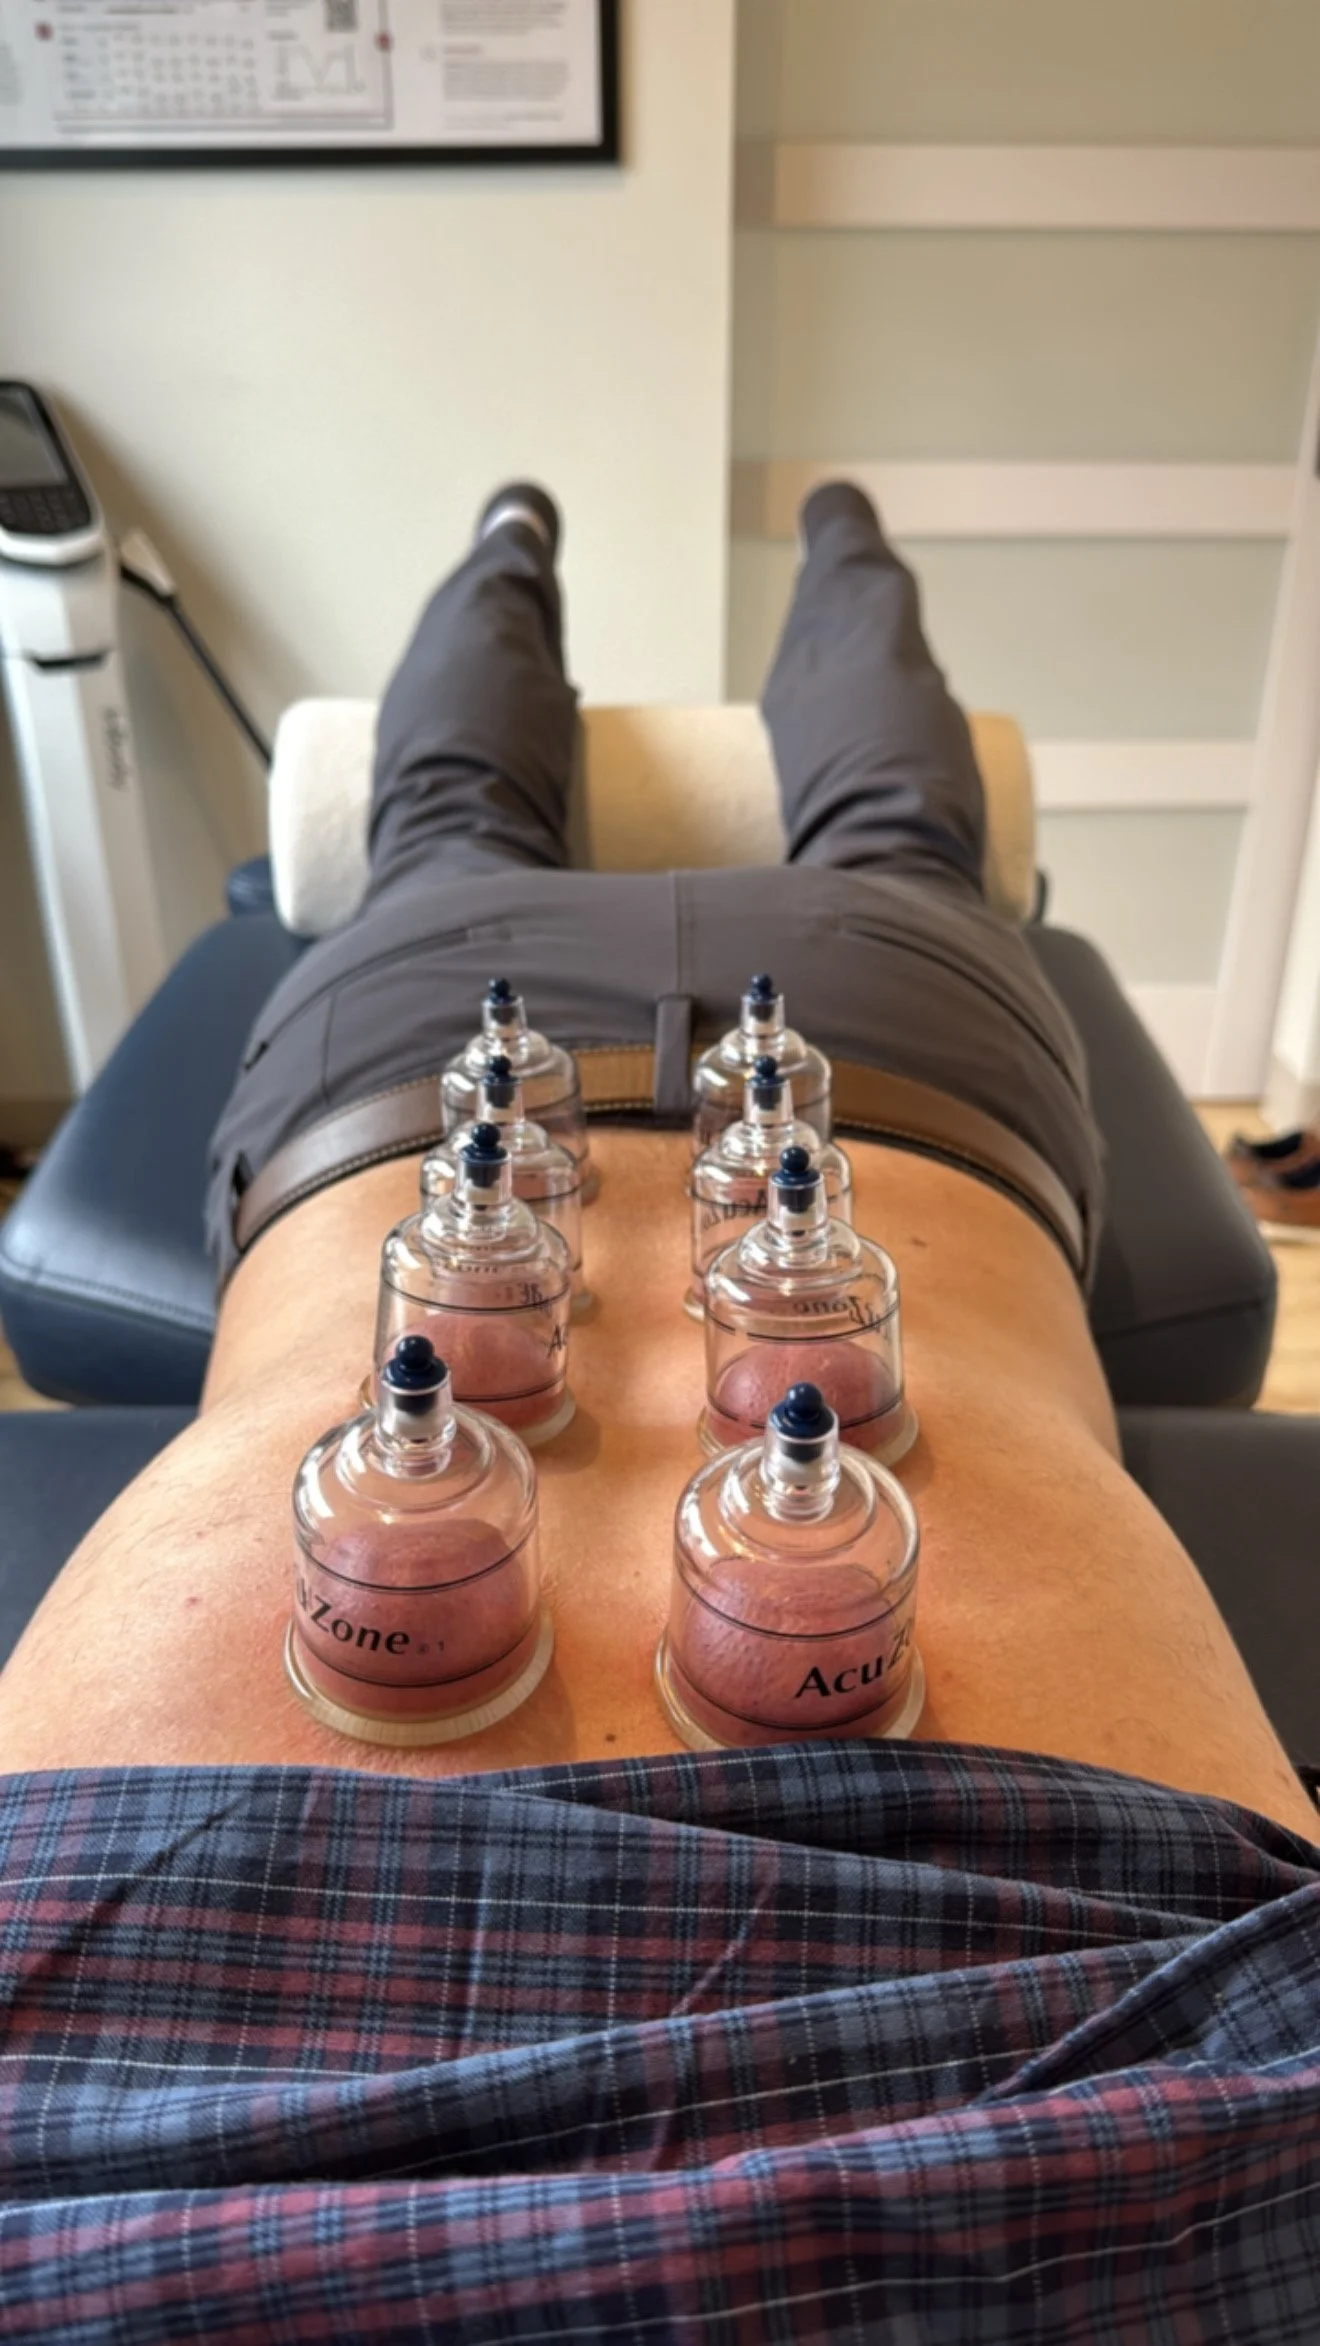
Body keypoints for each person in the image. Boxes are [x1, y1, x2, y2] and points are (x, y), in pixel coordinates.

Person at [0, 484, 1315, 2343]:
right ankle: (817, 540)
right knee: (901, 843)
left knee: (456, 832)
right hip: (897, 1065)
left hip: (422, 1068)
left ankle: (522, 538)